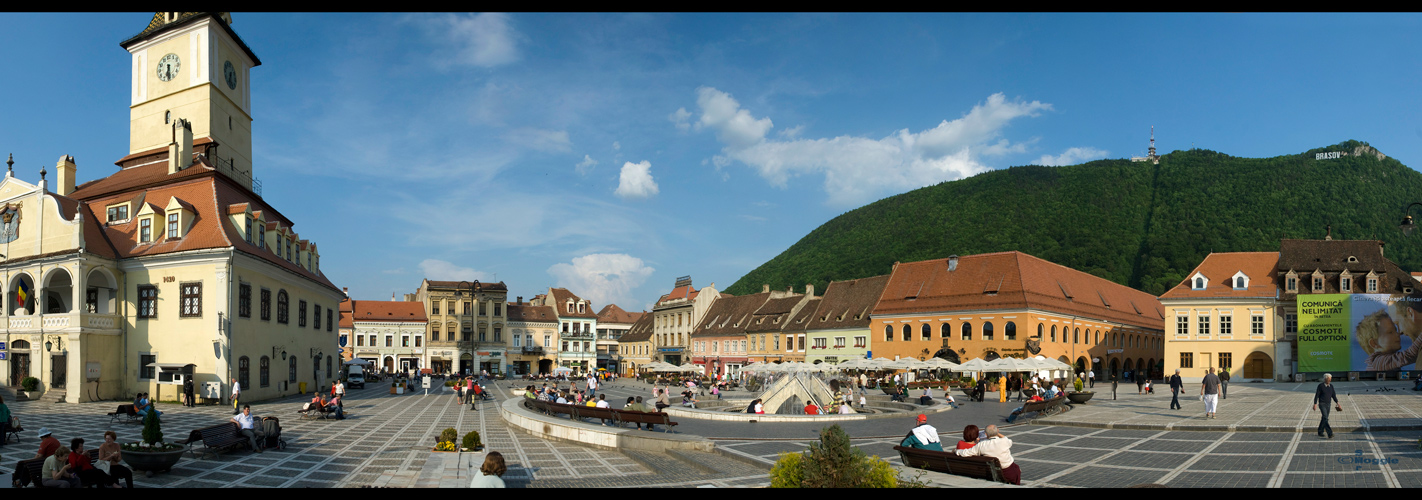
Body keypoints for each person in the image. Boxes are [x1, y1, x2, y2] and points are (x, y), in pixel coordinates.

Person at [955, 425, 1020, 485]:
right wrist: (997, 433)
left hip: (991, 472)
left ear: (986, 434)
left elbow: (965, 453)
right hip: (1007, 471)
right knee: (1016, 469)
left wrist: (956, 450)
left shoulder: (982, 445)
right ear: (997, 431)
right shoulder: (1004, 441)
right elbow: (1008, 439)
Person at [1313, 373, 1342, 439]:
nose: (1330, 380)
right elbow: (1316, 395)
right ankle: (1330, 433)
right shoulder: (1320, 386)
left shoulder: (1331, 386)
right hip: (1322, 404)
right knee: (1325, 418)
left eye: (1330, 379)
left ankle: (1320, 431)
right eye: (1329, 379)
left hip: (1328, 404)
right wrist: (1315, 404)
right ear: (1325, 379)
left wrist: (1338, 403)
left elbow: (1333, 395)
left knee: (1324, 418)